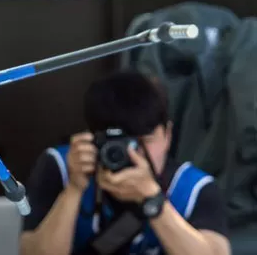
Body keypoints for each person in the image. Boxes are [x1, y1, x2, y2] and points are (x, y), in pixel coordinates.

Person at [19, 70, 231, 255]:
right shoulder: (61, 166)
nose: (131, 154)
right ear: (91, 135)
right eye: (119, 143)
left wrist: (153, 200)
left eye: (143, 141)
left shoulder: (192, 188)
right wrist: (74, 190)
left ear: (167, 134)